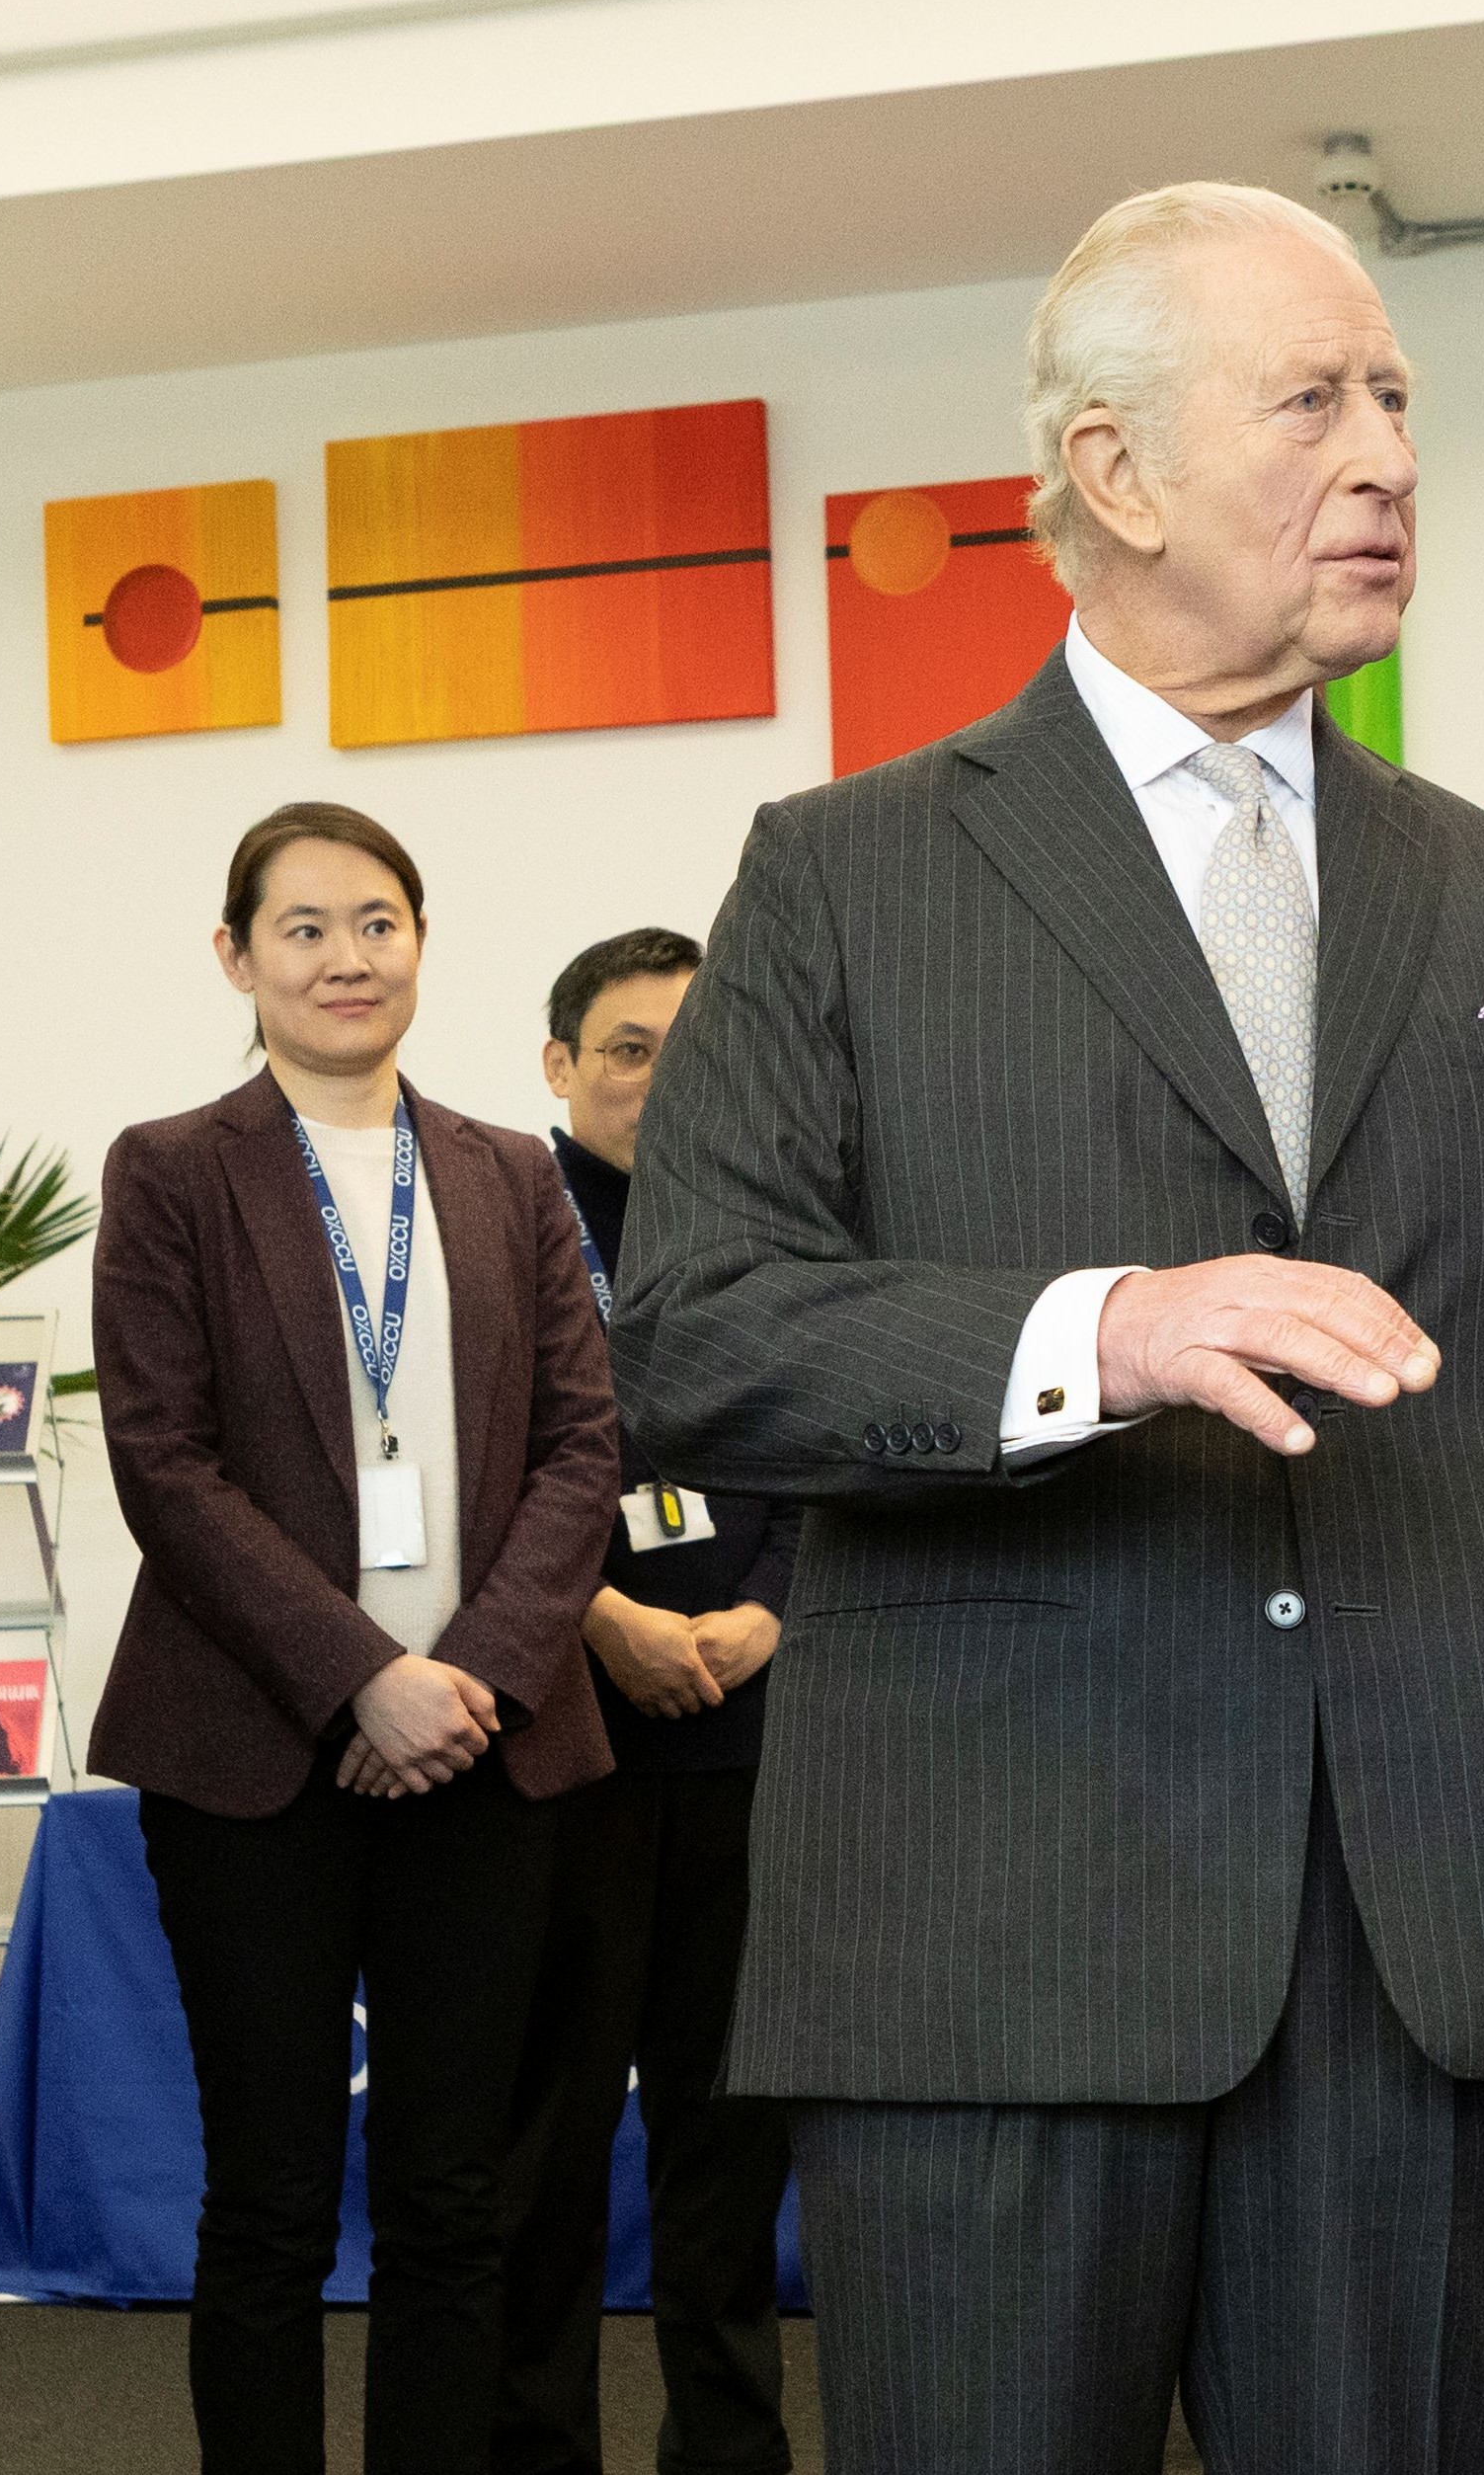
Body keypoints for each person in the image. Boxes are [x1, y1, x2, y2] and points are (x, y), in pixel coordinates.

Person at [611, 181, 1484, 2474]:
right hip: (990, 1950)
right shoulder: (846, 875)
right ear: (1112, 472)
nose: (1390, 452)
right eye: (1314, 399)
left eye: (1398, 395)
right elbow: (690, 1334)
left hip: (1419, 1952)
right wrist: (1093, 1331)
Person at [85, 803, 623, 2475]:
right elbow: (163, 1466)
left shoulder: (507, 1174)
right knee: (268, 2196)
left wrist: (467, 1677)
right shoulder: (172, 1169)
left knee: (458, 2202)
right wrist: (361, 1679)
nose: (345, 957)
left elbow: (579, 1450)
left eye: (376, 920)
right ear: (237, 957)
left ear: (419, 944)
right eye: (303, 927)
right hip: (254, 1756)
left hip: (490, 1746)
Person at [497, 925, 802, 2475]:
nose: (660, 1081)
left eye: (693, 1049)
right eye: (627, 1048)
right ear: (560, 1067)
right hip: (567, 1746)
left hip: (753, 1747)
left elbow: (844, 1444)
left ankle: (729, 2456)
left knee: (726, 2156)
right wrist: (599, 1618)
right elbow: (475, 1467)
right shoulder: (499, 1221)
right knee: (543, 2160)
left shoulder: (778, 1234)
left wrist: (768, 1612)